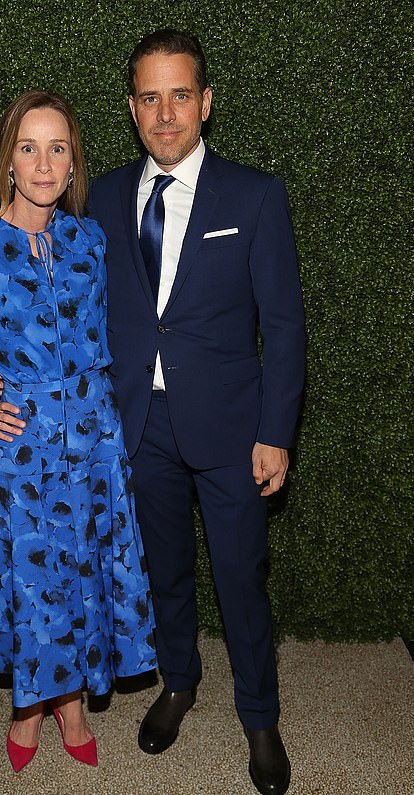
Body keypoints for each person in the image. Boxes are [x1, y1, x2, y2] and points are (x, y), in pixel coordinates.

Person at [0, 89, 156, 773]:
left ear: (74, 164)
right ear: (8, 162)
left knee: (83, 570)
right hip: (24, 444)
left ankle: (69, 699)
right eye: (28, 147)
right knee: (30, 577)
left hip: (95, 443)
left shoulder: (89, 240)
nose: (44, 163)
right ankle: (28, 705)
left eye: (58, 148)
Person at [88, 30, 305, 795]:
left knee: (242, 577)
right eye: (150, 96)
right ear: (132, 108)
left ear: (206, 103)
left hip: (231, 430)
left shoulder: (254, 195)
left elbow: (282, 326)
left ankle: (260, 716)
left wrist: (275, 431)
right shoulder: (104, 197)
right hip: (139, 428)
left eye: (181, 94)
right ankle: (178, 681)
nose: (166, 113)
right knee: (164, 572)